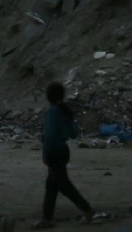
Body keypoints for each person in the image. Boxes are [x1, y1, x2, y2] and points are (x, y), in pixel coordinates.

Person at [36, 81, 95, 228]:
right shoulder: (65, 111)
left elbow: (48, 136)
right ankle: (47, 218)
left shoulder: (51, 112)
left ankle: (87, 210)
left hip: (53, 151)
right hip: (63, 150)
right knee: (52, 185)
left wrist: (45, 153)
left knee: (62, 185)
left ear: (49, 96)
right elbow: (73, 134)